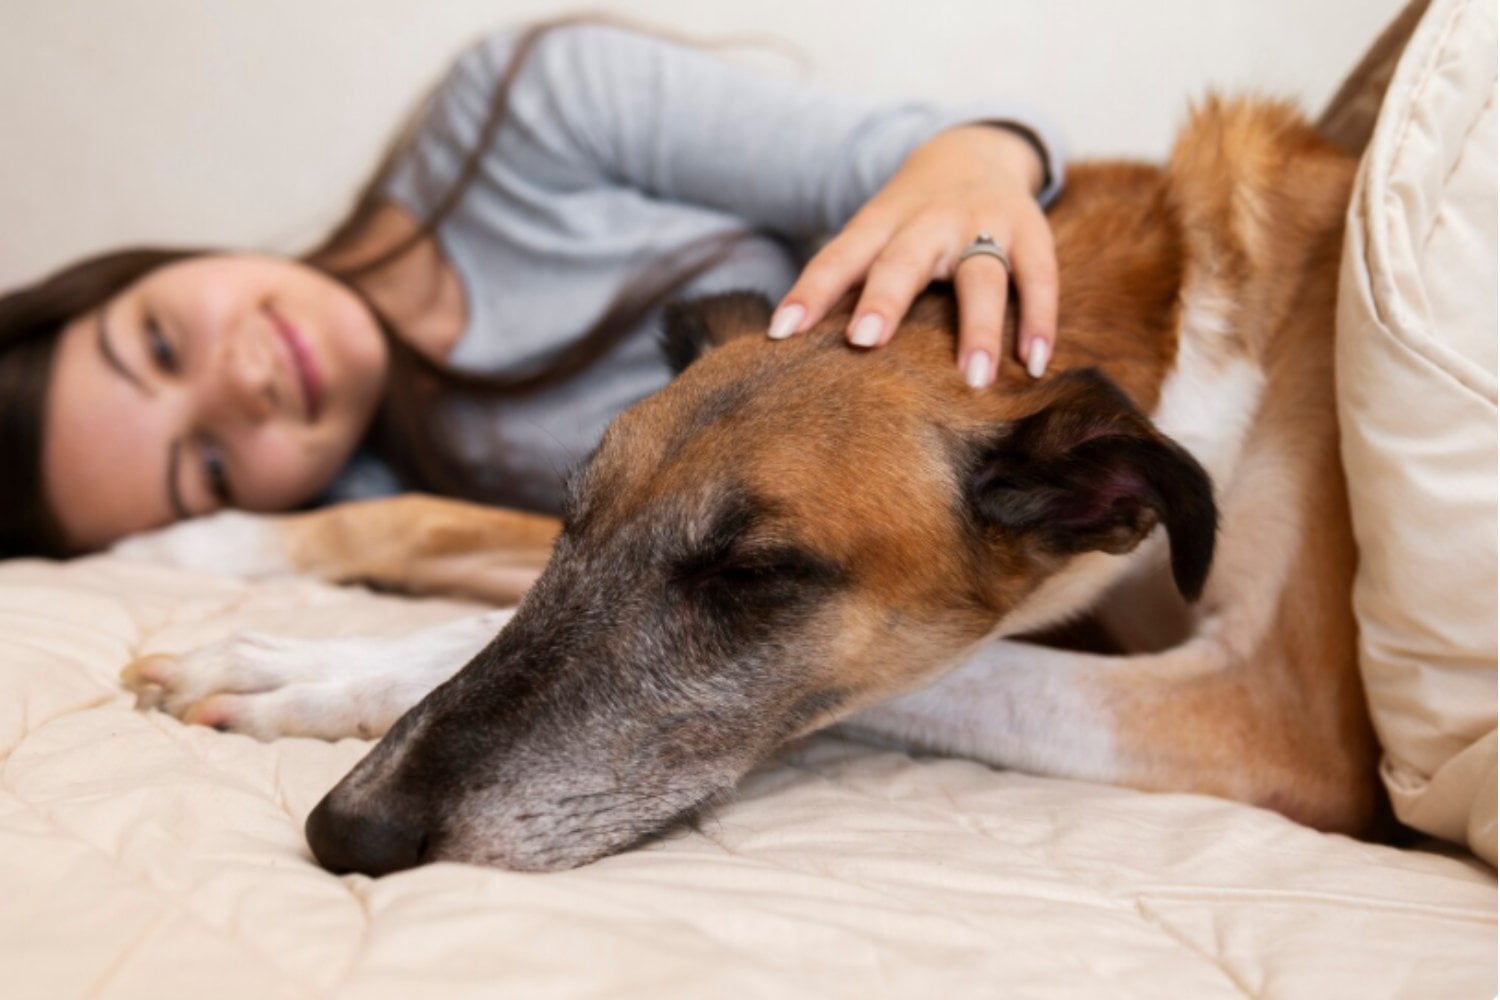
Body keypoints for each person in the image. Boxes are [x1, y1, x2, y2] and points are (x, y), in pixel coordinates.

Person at [0, 18, 1064, 559]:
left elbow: (918, 157)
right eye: (216, 467)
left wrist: (974, 166)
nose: (238, 384)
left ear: (150, 268)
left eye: (160, 345)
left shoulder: (519, 115)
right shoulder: (381, 521)